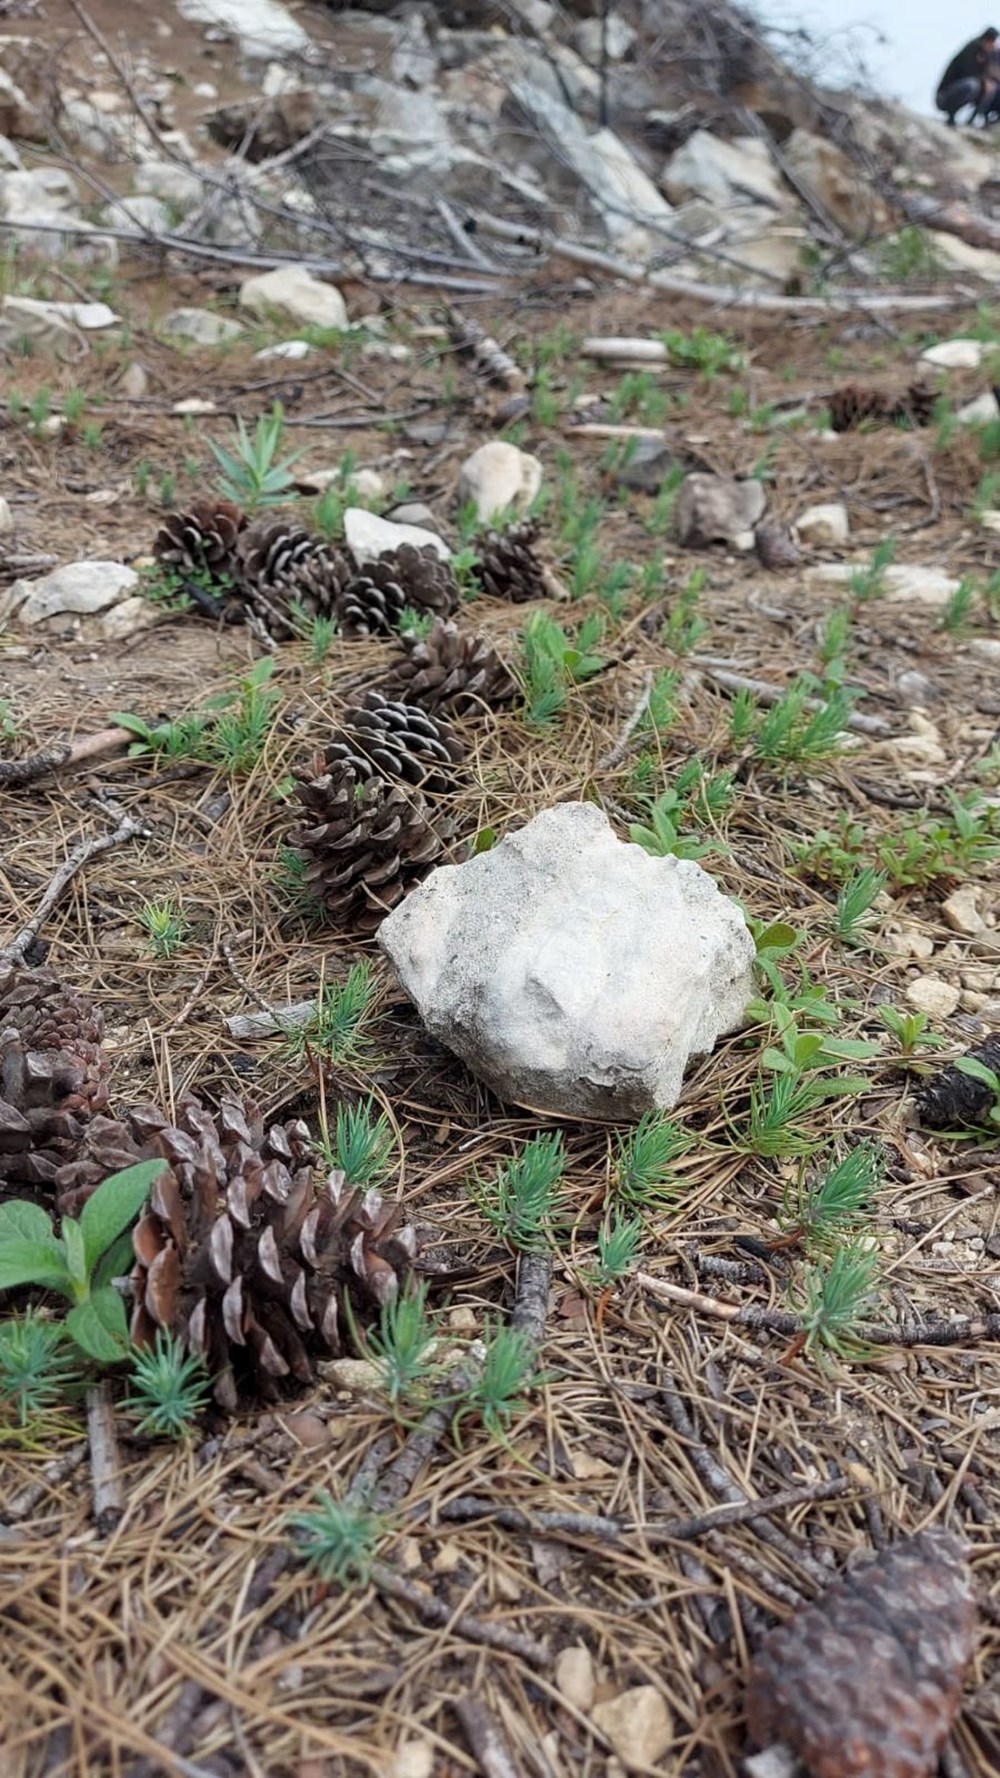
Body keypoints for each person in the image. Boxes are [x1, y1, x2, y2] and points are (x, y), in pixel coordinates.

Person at [935, 27, 999, 126]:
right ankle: (951, 115)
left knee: (991, 88)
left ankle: (973, 121)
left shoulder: (988, 54)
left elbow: (991, 74)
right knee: (972, 85)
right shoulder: (972, 48)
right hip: (945, 96)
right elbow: (967, 72)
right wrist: (984, 81)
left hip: (967, 88)